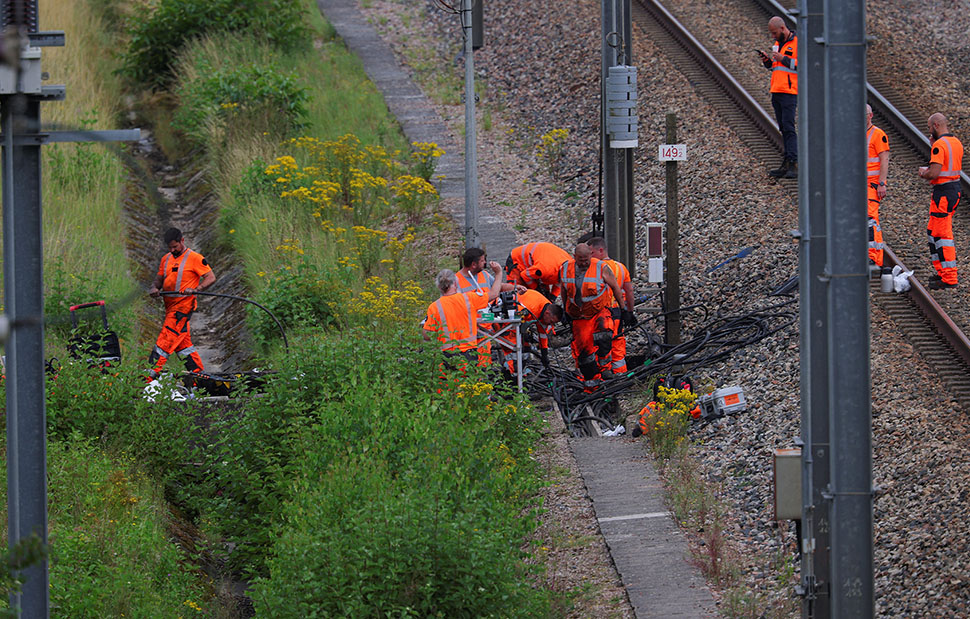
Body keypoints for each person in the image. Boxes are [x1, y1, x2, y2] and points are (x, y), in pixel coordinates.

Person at [147, 228, 216, 379]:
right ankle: (199, 378)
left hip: (183, 308)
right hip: (170, 307)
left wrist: (197, 289)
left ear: (182, 241)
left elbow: (210, 277)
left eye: (175, 247)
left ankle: (146, 379)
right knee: (184, 347)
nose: (173, 250)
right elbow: (159, 279)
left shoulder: (195, 258)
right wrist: (154, 288)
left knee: (165, 342)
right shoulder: (166, 259)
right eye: (170, 247)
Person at [559, 243, 624, 390]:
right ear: (574, 257)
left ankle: (605, 368)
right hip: (579, 316)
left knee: (605, 333)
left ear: (591, 255)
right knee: (584, 349)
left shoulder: (601, 267)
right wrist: (565, 310)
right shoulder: (565, 269)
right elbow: (564, 290)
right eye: (580, 260)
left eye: (586, 259)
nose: (583, 263)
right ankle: (591, 380)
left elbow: (615, 287)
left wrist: (624, 309)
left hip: (599, 311)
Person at [424, 262, 504, 365]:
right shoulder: (469, 298)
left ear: (439, 287)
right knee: (470, 380)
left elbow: (427, 335)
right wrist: (498, 273)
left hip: (446, 355)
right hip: (468, 353)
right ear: (456, 284)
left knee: (449, 380)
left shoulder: (434, 307)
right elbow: (494, 294)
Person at [919, 113, 964, 289]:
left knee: (942, 235)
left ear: (936, 125)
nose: (929, 130)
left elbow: (935, 172)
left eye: (930, 127)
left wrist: (924, 172)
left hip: (943, 193)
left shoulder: (939, 145)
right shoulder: (956, 143)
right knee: (933, 231)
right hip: (953, 190)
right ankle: (942, 273)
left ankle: (949, 277)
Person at [588, 236, 637, 375]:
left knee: (601, 345)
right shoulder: (621, 268)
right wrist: (629, 311)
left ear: (601, 250)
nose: (589, 256)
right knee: (617, 343)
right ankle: (620, 375)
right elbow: (629, 291)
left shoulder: (595, 268)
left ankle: (603, 375)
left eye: (591, 253)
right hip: (617, 312)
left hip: (601, 314)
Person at [759, 16, 798, 179]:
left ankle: (793, 163)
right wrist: (768, 61)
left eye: (774, 33)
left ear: (783, 29)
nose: (773, 37)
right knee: (783, 127)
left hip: (790, 92)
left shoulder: (798, 43)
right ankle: (787, 161)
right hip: (777, 90)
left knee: (789, 128)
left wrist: (783, 58)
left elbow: (802, 65)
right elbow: (776, 67)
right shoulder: (777, 44)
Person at [496, 288, 563, 375]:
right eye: (551, 322)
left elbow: (543, 334)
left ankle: (520, 373)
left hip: (517, 321)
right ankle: (511, 374)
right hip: (505, 320)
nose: (551, 325)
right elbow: (514, 319)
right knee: (513, 349)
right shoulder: (531, 308)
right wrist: (522, 331)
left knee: (526, 348)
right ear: (547, 313)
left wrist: (544, 353)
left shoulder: (547, 313)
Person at [505, 241, 571, 300]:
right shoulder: (545, 269)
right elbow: (525, 275)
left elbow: (559, 283)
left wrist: (552, 298)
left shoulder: (570, 266)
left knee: (545, 295)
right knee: (517, 294)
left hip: (538, 263)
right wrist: (536, 289)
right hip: (516, 261)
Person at [866, 104, 890, 267]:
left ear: (871, 115)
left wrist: (882, 183)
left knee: (870, 220)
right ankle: (868, 255)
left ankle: (873, 257)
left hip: (872, 186)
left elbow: (884, 160)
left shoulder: (878, 134)